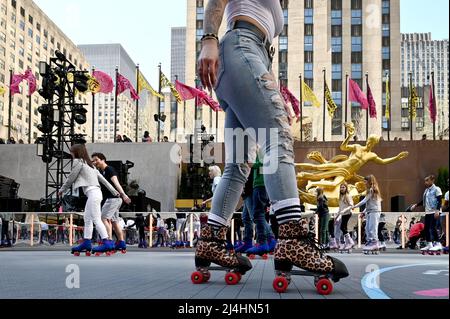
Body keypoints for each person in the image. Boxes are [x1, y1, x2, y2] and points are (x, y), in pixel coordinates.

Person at [194, 0, 348, 285]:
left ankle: (211, 241)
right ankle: (293, 237)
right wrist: (209, 40)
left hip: (248, 56)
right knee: (277, 140)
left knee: (238, 166)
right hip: (241, 46)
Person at [58, 144, 119, 255]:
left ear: (76, 152)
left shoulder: (78, 162)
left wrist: (62, 190)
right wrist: (114, 191)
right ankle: (87, 242)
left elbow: (71, 177)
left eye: (72, 151)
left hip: (93, 193)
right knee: (87, 218)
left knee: (96, 219)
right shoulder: (90, 165)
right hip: (95, 193)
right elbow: (103, 180)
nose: (71, 153)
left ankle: (107, 242)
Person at [92, 153, 132, 253]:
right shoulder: (103, 171)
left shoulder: (109, 169)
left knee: (103, 218)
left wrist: (124, 194)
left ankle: (108, 242)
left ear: (103, 160)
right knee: (114, 221)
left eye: (96, 160)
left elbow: (116, 182)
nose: (95, 162)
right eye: (93, 160)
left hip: (113, 199)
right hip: (115, 199)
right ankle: (121, 242)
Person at [245, 153, 277, 256]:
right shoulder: (262, 149)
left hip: (260, 184)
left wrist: (253, 164)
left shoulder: (262, 149)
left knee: (257, 214)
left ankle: (263, 242)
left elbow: (263, 163)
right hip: (259, 184)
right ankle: (265, 241)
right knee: (257, 214)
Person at [411, 175, 443, 253]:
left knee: (432, 227)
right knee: (426, 229)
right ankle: (429, 244)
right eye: (425, 181)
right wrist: (416, 205)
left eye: (427, 180)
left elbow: (439, 200)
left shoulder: (436, 189)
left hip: (434, 211)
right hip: (428, 212)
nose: (425, 182)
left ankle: (438, 243)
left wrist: (437, 211)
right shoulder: (426, 190)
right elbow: (424, 201)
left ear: (432, 181)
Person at [352, 175, 383, 252]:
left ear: (369, 181)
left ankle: (375, 243)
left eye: (365, 181)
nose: (364, 183)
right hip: (370, 211)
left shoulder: (372, 190)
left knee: (373, 228)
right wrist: (363, 212)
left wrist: (354, 206)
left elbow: (364, 201)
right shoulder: (370, 190)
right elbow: (369, 203)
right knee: (367, 228)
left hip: (374, 211)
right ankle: (370, 242)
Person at [331, 183, 354, 251]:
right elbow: (340, 208)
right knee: (343, 228)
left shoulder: (347, 196)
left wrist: (344, 210)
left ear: (346, 188)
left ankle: (350, 242)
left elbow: (351, 205)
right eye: (341, 187)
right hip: (343, 214)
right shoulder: (341, 196)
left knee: (342, 227)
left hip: (347, 213)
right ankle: (347, 243)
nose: (342, 189)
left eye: (343, 187)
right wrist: (336, 216)